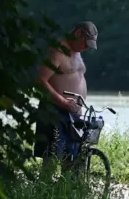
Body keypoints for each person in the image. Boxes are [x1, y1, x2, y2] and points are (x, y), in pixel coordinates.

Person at [34, 21, 98, 165]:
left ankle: (65, 188)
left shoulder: (77, 52)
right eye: (85, 42)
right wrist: (63, 102)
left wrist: (77, 107)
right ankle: (45, 188)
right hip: (54, 111)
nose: (86, 47)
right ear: (78, 33)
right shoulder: (58, 51)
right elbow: (40, 81)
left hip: (73, 114)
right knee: (51, 159)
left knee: (71, 160)